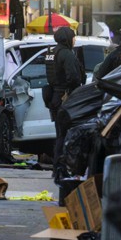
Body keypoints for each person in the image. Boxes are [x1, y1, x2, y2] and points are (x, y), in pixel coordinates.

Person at [44, 26, 84, 172]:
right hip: (66, 97)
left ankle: (58, 164)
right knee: (67, 134)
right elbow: (73, 78)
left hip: (55, 97)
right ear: (67, 38)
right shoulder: (66, 54)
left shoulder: (51, 52)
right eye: (73, 37)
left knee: (59, 133)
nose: (75, 40)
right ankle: (63, 165)